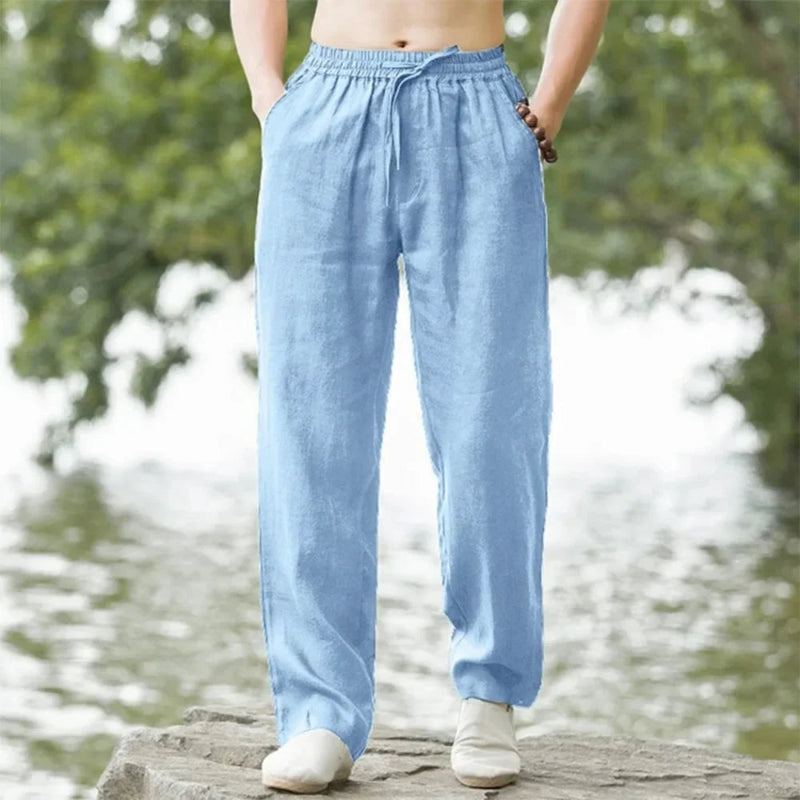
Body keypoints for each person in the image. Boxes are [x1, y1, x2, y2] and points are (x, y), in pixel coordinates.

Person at [231, 0, 610, 792]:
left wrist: (552, 101)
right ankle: (320, 713)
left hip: (476, 107)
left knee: (490, 423)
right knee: (312, 428)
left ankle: (489, 695)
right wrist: (271, 95)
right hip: (326, 108)